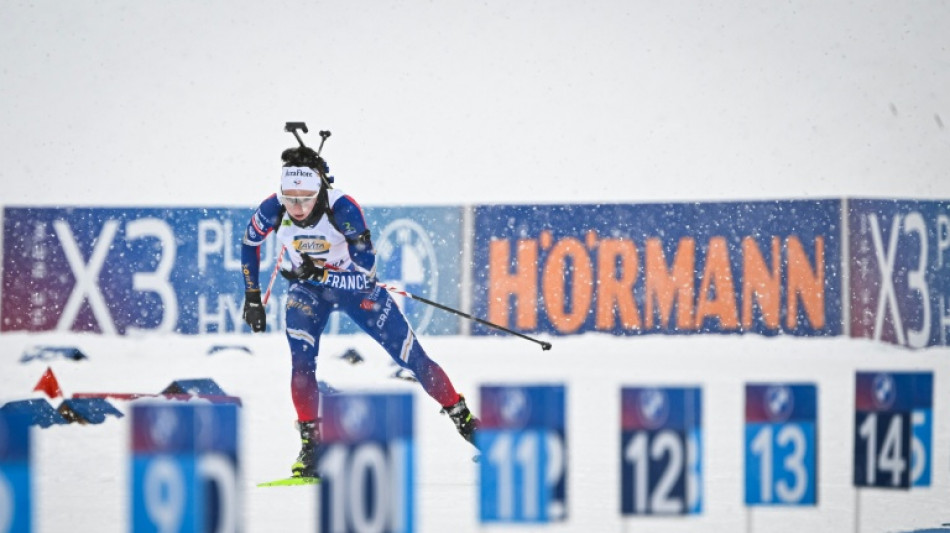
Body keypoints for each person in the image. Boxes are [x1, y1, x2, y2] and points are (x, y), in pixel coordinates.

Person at [240, 146, 479, 478]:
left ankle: (466, 423)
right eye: (290, 199)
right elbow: (249, 242)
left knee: (413, 358)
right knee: (301, 364)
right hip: (308, 292)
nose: (297, 207)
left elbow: (366, 274)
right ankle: (311, 446)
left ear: (320, 191)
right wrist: (253, 295)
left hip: (356, 290)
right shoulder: (273, 208)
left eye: (305, 199)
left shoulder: (343, 208)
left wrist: (322, 274)